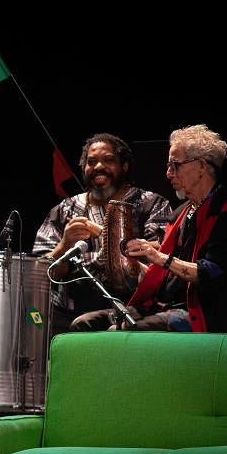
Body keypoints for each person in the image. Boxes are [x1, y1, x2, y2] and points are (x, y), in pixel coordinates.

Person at [70, 124, 227, 333]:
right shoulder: (183, 213)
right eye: (168, 165)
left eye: (176, 165)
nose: (168, 173)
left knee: (121, 332)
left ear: (201, 166)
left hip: (199, 313)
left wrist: (159, 258)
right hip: (162, 306)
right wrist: (140, 255)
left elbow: (211, 274)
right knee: (84, 324)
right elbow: (164, 266)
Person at [32, 133, 172, 335]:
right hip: (69, 308)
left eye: (108, 160)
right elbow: (42, 274)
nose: (98, 167)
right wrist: (64, 245)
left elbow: (162, 255)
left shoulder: (150, 203)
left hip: (129, 305)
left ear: (124, 166)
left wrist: (106, 235)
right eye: (91, 162)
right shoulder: (65, 209)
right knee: (31, 318)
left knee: (85, 325)